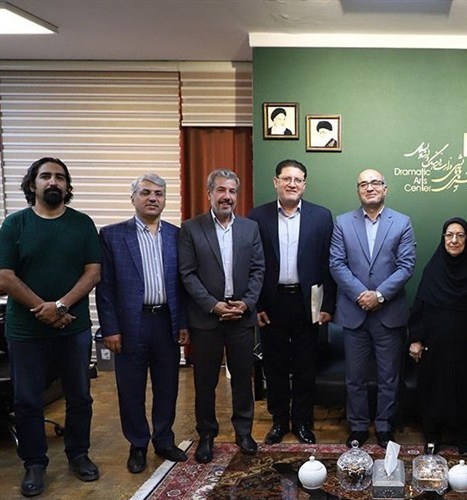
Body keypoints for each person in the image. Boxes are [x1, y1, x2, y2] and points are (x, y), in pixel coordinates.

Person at [0, 157, 102, 497]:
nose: (53, 182)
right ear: (33, 184)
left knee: (80, 396)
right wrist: (42, 308)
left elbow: (93, 272)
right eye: (45, 176)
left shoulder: (82, 224)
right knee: (27, 400)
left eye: (60, 177)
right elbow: (5, 277)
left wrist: (60, 306)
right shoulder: (14, 225)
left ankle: (78, 455)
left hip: (73, 328)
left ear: (67, 186)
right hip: (26, 332)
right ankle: (34, 464)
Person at [96, 173, 190, 474]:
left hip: (166, 321)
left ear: (165, 199)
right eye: (146, 192)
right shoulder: (112, 235)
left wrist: (183, 322)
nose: (153, 198)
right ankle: (138, 444)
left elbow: (182, 285)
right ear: (133, 198)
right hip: (130, 324)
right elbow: (105, 287)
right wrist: (110, 328)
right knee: (130, 388)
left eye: (159, 193)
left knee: (168, 385)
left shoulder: (176, 235)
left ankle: (164, 440)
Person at [179, 168, 265, 463]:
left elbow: (258, 270)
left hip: (241, 317)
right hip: (207, 319)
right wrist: (212, 305)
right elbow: (187, 274)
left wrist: (247, 303)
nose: (226, 196)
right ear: (209, 194)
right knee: (205, 382)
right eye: (221, 190)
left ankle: (244, 432)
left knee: (243, 378)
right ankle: (206, 435)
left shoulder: (250, 228)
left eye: (232, 191)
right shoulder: (191, 228)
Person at [248, 160, 336, 445]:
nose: (292, 184)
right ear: (276, 182)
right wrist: (257, 306)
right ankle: (278, 422)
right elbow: (252, 265)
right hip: (271, 303)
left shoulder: (321, 216)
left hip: (307, 302)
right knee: (273, 367)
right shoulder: (257, 216)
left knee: (305, 367)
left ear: (304, 185)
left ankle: (302, 422)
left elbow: (329, 264)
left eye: (298, 180)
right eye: (286, 178)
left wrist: (328, 305)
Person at [329, 169, 416, 448]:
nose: (370, 188)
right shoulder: (343, 222)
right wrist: (361, 295)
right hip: (354, 312)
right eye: (363, 184)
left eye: (375, 183)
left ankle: (384, 426)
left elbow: (406, 266)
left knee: (388, 377)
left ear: (385, 188)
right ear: (358, 191)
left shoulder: (402, 222)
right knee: (354, 377)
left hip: (388, 313)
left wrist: (379, 296)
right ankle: (357, 426)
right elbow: (336, 264)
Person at [408, 217, 467, 455]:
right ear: (443, 238)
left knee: (466, 390)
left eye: (460, 235)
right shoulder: (433, 269)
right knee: (434, 389)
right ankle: (432, 436)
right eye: (449, 235)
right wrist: (416, 339)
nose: (454, 240)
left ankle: (463, 437)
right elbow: (420, 307)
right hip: (435, 345)